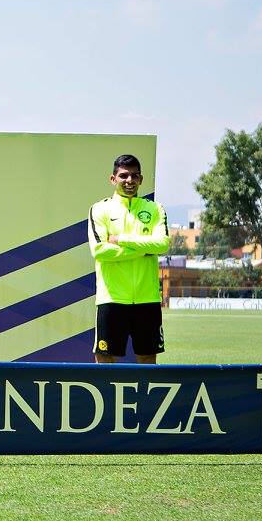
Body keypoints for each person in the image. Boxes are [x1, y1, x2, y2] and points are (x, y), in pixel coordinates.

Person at [88, 154, 170, 364]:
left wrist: (121, 239)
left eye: (134, 176)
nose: (129, 181)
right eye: (123, 176)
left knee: (147, 356)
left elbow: (162, 244)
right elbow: (99, 250)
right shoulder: (100, 209)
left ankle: (145, 390)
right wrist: (145, 249)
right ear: (113, 179)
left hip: (147, 297)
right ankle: (107, 389)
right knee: (104, 355)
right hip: (112, 297)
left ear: (141, 179)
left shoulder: (154, 209)